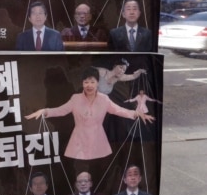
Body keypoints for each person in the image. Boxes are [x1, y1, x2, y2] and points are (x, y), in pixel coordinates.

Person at [25, 67, 154, 160]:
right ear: (82, 83)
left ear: (98, 83)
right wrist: (45, 111)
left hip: (98, 141)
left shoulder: (104, 99)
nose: (89, 85)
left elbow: (119, 110)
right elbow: (61, 110)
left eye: (92, 82)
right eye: (86, 82)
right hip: (78, 142)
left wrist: (136, 113)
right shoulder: (75, 98)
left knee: (98, 170)